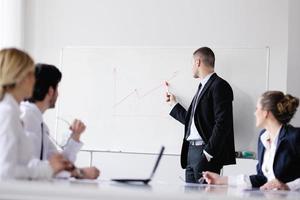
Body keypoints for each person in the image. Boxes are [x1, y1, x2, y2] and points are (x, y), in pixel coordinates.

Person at [203, 91, 300, 190]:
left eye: (257, 109)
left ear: (266, 113)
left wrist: (288, 186)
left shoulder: (295, 136)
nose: (255, 113)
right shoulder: (263, 138)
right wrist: (221, 180)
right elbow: (261, 179)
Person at [0, 48, 72, 180]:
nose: (35, 81)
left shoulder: (14, 113)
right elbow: (5, 172)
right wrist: (47, 169)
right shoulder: (7, 114)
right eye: (31, 74)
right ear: (18, 77)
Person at [166, 47, 236, 183]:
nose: (192, 67)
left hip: (205, 152)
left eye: (192, 63)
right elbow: (194, 121)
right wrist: (173, 105)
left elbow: (223, 122)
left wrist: (208, 153)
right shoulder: (201, 87)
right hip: (191, 152)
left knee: (204, 196)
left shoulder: (219, 85)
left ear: (198, 62)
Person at [20, 63, 100, 179]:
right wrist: (79, 173)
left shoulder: (38, 122)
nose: (58, 94)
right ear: (51, 91)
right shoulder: (26, 118)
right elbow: (28, 166)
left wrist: (75, 136)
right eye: (57, 88)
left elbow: (60, 163)